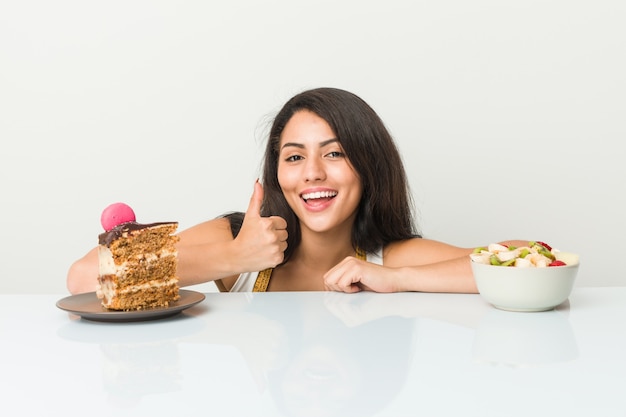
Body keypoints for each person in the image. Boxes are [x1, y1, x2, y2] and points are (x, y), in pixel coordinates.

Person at [67, 87, 527, 294]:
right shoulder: (235, 238)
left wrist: (399, 279)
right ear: (277, 173)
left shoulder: (389, 259)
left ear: (369, 167)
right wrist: (235, 259)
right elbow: (86, 277)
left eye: (334, 153)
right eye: (293, 157)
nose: (311, 174)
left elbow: (525, 259)